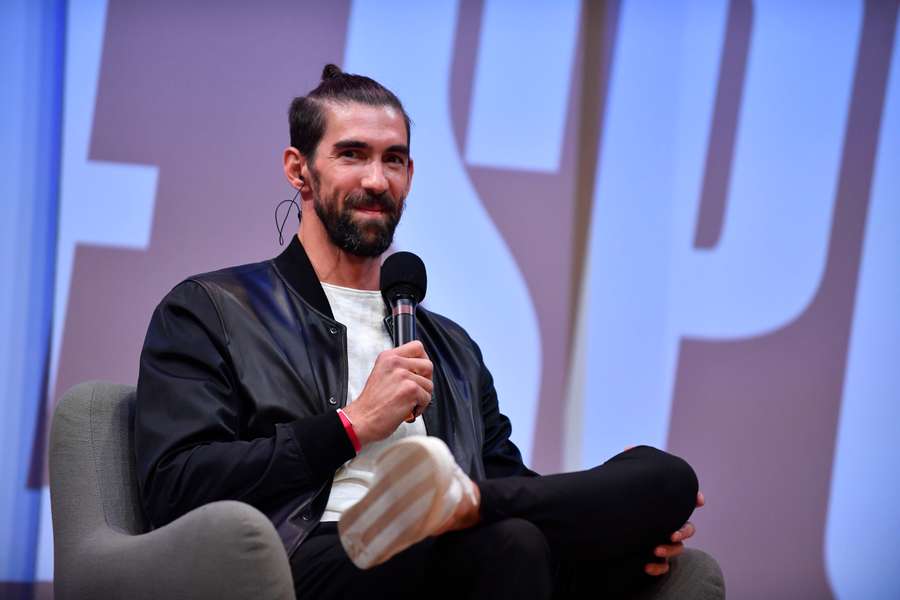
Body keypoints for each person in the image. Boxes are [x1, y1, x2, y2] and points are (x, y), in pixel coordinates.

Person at [135, 64, 724, 599]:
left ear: (410, 175)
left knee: (665, 478)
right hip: (304, 560)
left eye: (393, 160)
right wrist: (351, 426)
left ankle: (451, 506)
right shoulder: (211, 309)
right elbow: (176, 485)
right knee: (511, 544)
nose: (376, 179)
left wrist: (609, 515)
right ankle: (442, 510)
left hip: (461, 547)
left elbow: (511, 483)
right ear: (300, 170)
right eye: (352, 155)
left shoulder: (451, 347)